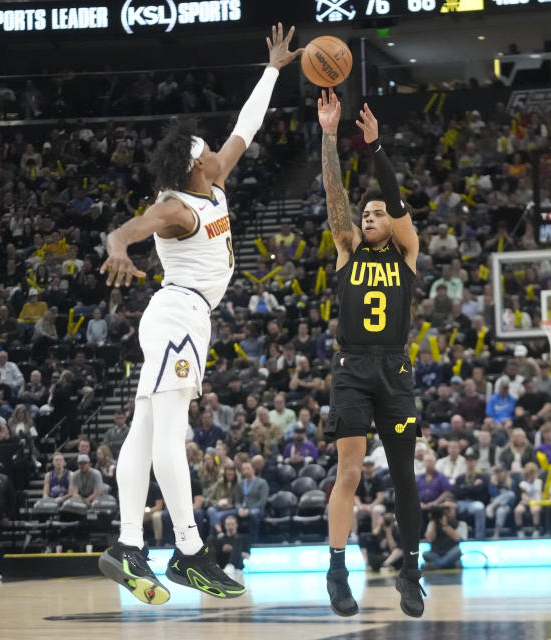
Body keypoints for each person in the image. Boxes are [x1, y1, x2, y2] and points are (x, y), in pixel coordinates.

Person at [97, 25, 302, 605]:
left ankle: (128, 545)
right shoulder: (175, 206)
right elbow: (127, 230)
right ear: (194, 165)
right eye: (206, 150)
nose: (216, 150)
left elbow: (246, 127)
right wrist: (117, 250)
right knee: (168, 433)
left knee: (143, 431)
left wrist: (272, 71)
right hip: (178, 314)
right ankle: (188, 552)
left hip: (182, 316)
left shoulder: (212, 186)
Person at [318, 92, 425, 617]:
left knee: (404, 476)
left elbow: (395, 197)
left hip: (395, 368)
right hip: (353, 368)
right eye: (365, 213)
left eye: (377, 212)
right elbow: (335, 192)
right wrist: (329, 136)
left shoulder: (407, 251)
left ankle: (411, 572)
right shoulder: (347, 249)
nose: (368, 216)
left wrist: (376, 145)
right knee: (349, 473)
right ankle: (338, 571)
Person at [208, 513, 251, 577]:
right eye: (228, 524)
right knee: (211, 538)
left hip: (236, 566)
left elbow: (247, 556)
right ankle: (214, 566)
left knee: (237, 538)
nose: (230, 526)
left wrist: (233, 550)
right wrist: (221, 550)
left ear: (236, 525)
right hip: (222, 564)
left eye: (232, 524)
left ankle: (231, 565)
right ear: (225, 525)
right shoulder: (221, 539)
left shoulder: (243, 538)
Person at [421, 504, 462, 570]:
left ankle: (436, 566)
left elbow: (457, 538)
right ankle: (448, 565)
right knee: (425, 554)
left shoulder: (454, 522)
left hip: (450, 551)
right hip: (436, 553)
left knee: (458, 550)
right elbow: (430, 539)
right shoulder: (432, 524)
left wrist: (445, 525)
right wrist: (433, 521)